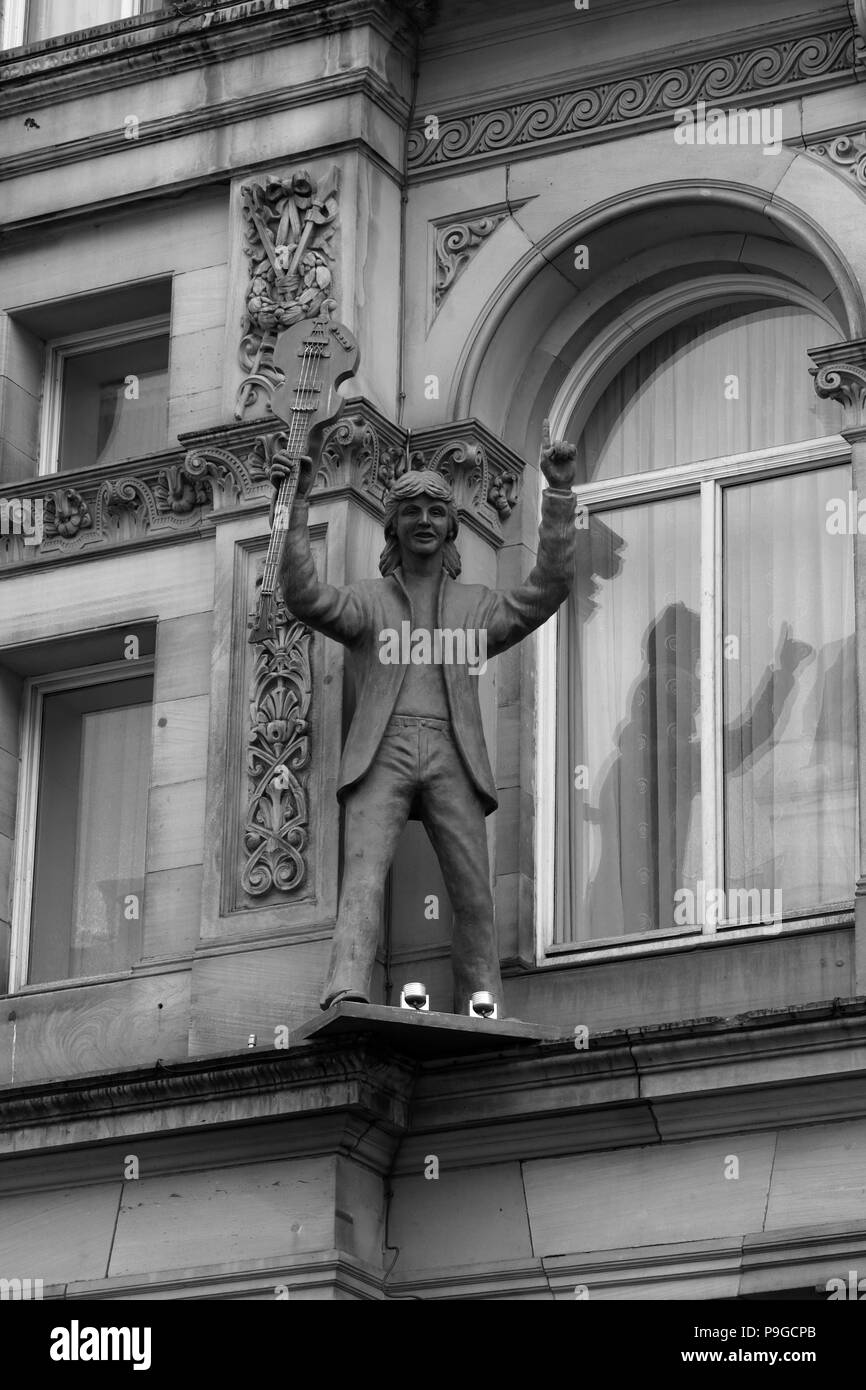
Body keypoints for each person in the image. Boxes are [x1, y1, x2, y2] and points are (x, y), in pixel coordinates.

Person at [271, 422, 577, 1012]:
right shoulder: (367, 600)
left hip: (451, 753)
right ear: (394, 527)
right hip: (381, 750)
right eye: (410, 511)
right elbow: (303, 596)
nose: (424, 521)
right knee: (362, 876)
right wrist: (295, 504)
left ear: (451, 526)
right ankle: (348, 986)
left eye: (436, 511)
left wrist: (558, 495)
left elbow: (549, 587)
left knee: (473, 891)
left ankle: (482, 997)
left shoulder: (476, 605)